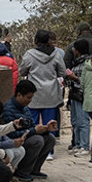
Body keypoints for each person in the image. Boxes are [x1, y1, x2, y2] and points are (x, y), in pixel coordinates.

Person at [18, 30, 65, 160]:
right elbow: (62, 72)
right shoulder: (56, 54)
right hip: (51, 94)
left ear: (36, 41)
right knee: (50, 122)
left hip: (33, 94)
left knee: (32, 123)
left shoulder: (29, 54)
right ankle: (49, 152)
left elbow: (22, 71)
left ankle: (33, 148)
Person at [2, 80, 58, 181]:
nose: (30, 100)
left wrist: (46, 129)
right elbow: (10, 133)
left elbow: (31, 125)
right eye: (28, 98)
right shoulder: (8, 109)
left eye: (31, 98)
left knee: (50, 139)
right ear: (19, 95)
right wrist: (34, 131)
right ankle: (22, 171)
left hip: (26, 136)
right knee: (37, 141)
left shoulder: (25, 108)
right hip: (14, 140)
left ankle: (34, 169)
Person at [66, 39, 92, 157]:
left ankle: (84, 146)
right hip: (74, 94)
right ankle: (77, 144)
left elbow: (88, 81)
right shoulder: (76, 62)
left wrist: (75, 78)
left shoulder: (88, 63)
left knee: (83, 121)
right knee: (75, 121)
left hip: (82, 95)